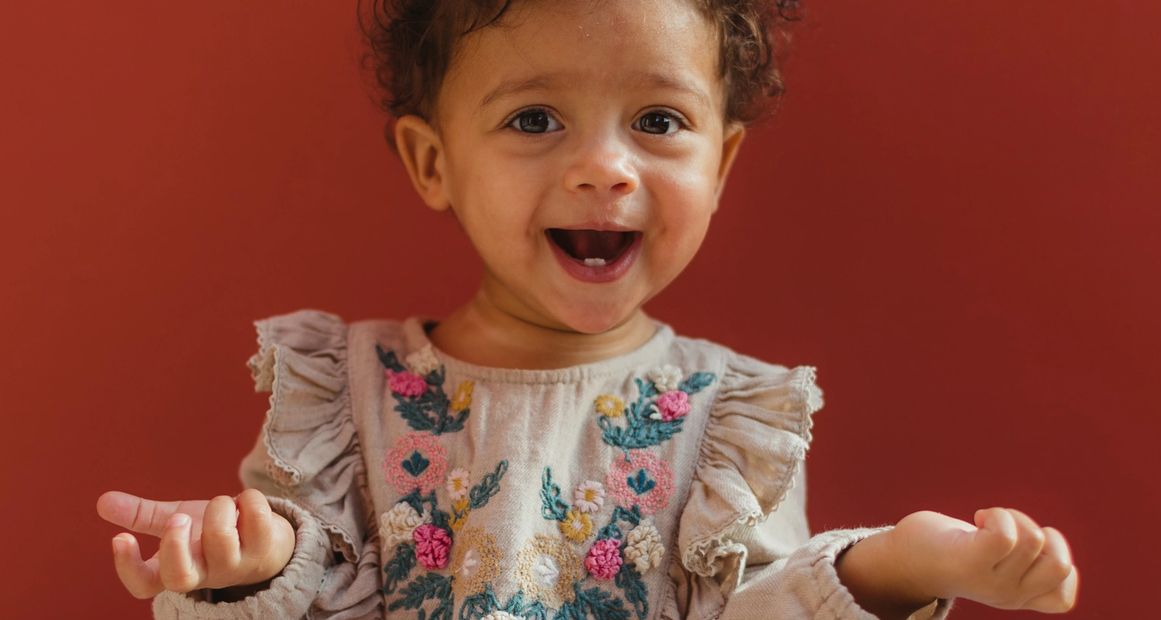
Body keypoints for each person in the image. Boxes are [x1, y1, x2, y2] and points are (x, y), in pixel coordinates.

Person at [96, 1, 1079, 618]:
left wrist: (893, 566)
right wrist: (247, 570)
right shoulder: (342, 397)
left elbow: (757, 609)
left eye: (657, 121)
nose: (604, 167)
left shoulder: (730, 415)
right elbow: (312, 591)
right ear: (432, 162)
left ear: (721, 160)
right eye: (534, 118)